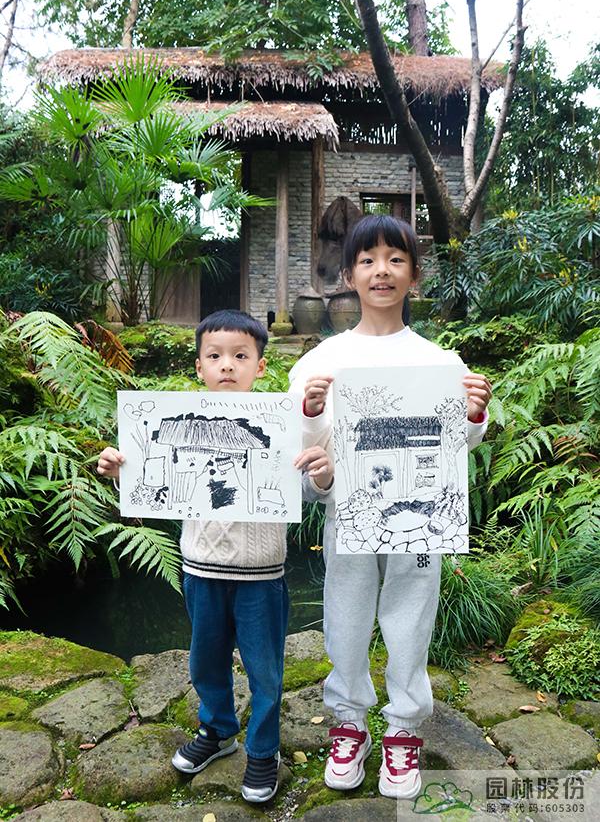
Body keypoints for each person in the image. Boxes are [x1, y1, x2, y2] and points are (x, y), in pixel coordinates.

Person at [288, 216, 492, 800]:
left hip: (421, 520)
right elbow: (301, 453)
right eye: (368, 260)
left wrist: (474, 412)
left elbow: (457, 445)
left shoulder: (441, 362)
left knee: (411, 617)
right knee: (346, 616)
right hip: (348, 515)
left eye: (396, 259)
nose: (382, 271)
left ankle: (403, 730)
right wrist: (311, 415)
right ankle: (349, 722)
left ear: (414, 274)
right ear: (349, 275)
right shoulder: (322, 361)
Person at [97, 309, 332, 804]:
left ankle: (263, 751)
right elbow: (153, 483)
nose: (228, 365)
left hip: (262, 574)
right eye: (215, 356)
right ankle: (218, 730)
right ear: (199, 366)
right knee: (205, 660)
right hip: (200, 570)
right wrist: (122, 471)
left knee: (265, 670)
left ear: (260, 366)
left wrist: (322, 474)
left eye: (240, 356)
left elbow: (307, 492)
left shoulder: (278, 427)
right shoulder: (176, 423)